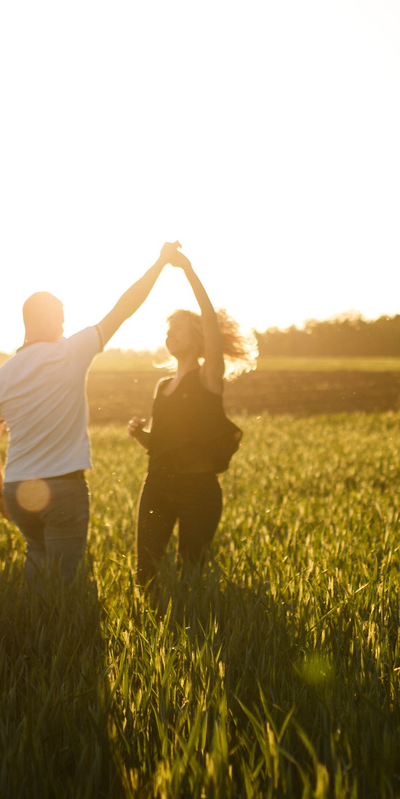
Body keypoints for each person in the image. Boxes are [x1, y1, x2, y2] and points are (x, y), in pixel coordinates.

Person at [0, 243, 182, 574]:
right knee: (65, 583)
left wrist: (0, 492)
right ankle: (60, 624)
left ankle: (28, 621)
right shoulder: (72, 351)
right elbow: (125, 307)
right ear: (45, 320)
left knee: (36, 554)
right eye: (59, 320)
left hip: (16, 490)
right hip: (62, 488)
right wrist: (159, 264)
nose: (63, 327)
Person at [126, 247, 247, 601]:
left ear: (197, 338)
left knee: (191, 574)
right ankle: (150, 631)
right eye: (168, 331)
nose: (170, 336)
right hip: (157, 487)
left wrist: (189, 272)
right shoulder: (162, 387)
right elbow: (163, 445)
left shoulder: (209, 376)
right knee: (145, 572)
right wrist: (140, 436)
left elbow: (209, 319)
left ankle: (196, 637)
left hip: (199, 490)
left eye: (177, 330)